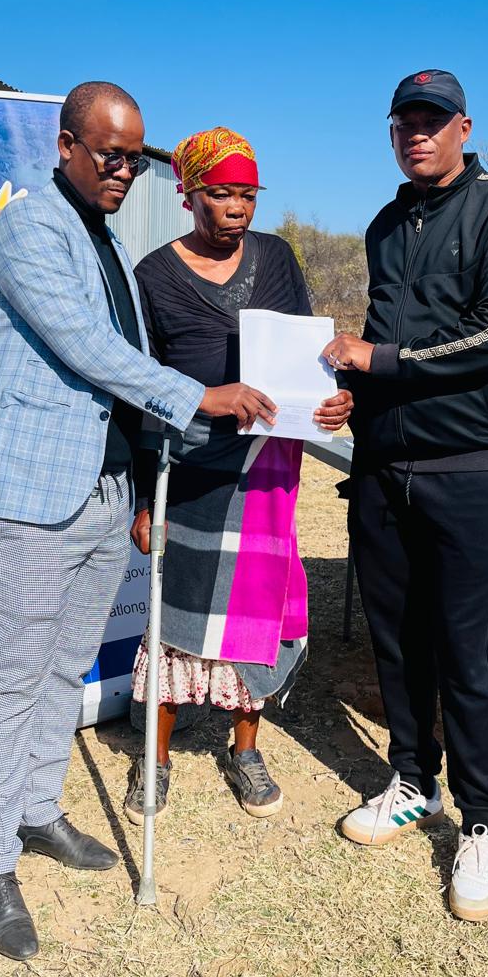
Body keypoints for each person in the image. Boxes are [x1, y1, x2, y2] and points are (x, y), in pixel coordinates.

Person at [0, 84, 277, 961]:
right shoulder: (30, 228)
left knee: (63, 666)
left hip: (102, 492)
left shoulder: (107, 242)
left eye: (134, 159)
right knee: (15, 677)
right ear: (66, 146)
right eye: (109, 154)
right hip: (26, 494)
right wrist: (200, 396)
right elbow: (89, 349)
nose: (124, 170)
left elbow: (124, 365)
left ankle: (37, 810)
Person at [322, 69, 488, 922]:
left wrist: (378, 362)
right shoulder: (386, 225)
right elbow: (382, 337)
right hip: (384, 466)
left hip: (469, 465)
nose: (416, 134)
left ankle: (482, 821)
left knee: (464, 649)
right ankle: (412, 780)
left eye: (432, 121)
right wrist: (354, 397)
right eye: (403, 123)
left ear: (463, 128)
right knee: (397, 640)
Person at [122, 127, 352, 824]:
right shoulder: (155, 276)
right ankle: (155, 758)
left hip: (266, 468)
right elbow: (138, 389)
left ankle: (245, 749)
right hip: (189, 468)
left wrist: (333, 400)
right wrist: (144, 498)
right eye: (222, 194)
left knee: (258, 611)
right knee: (173, 616)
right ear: (188, 194)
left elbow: (308, 356)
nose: (237, 208)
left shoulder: (277, 258)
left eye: (248, 195)